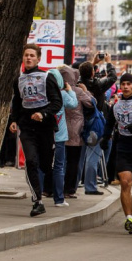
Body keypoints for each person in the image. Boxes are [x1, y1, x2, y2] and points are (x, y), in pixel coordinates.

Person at [10, 44, 63, 217]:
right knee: (31, 161)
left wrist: (43, 113)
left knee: (46, 165)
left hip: (45, 127)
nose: (29, 58)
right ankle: (37, 201)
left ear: (39, 58)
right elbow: (17, 103)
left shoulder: (47, 77)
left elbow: (57, 102)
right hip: (27, 127)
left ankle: (48, 187)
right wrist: (14, 121)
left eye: (32, 55)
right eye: (26, 55)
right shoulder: (18, 80)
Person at [102, 73, 132, 234]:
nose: (125, 87)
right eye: (123, 84)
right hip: (123, 147)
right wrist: (105, 137)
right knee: (125, 182)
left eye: (128, 84)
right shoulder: (115, 106)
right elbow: (109, 123)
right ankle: (129, 218)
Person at [41, 68, 77, 208]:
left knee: (40, 165)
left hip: (43, 135)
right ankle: (59, 199)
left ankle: (37, 197)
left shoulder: (42, 94)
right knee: (58, 166)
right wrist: (70, 91)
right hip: (59, 136)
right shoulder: (62, 94)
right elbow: (73, 104)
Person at [58, 66, 93, 200]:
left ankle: (51, 188)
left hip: (59, 128)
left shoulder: (56, 90)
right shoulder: (78, 91)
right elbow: (91, 103)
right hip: (76, 130)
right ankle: (69, 189)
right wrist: (87, 92)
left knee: (58, 161)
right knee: (73, 161)